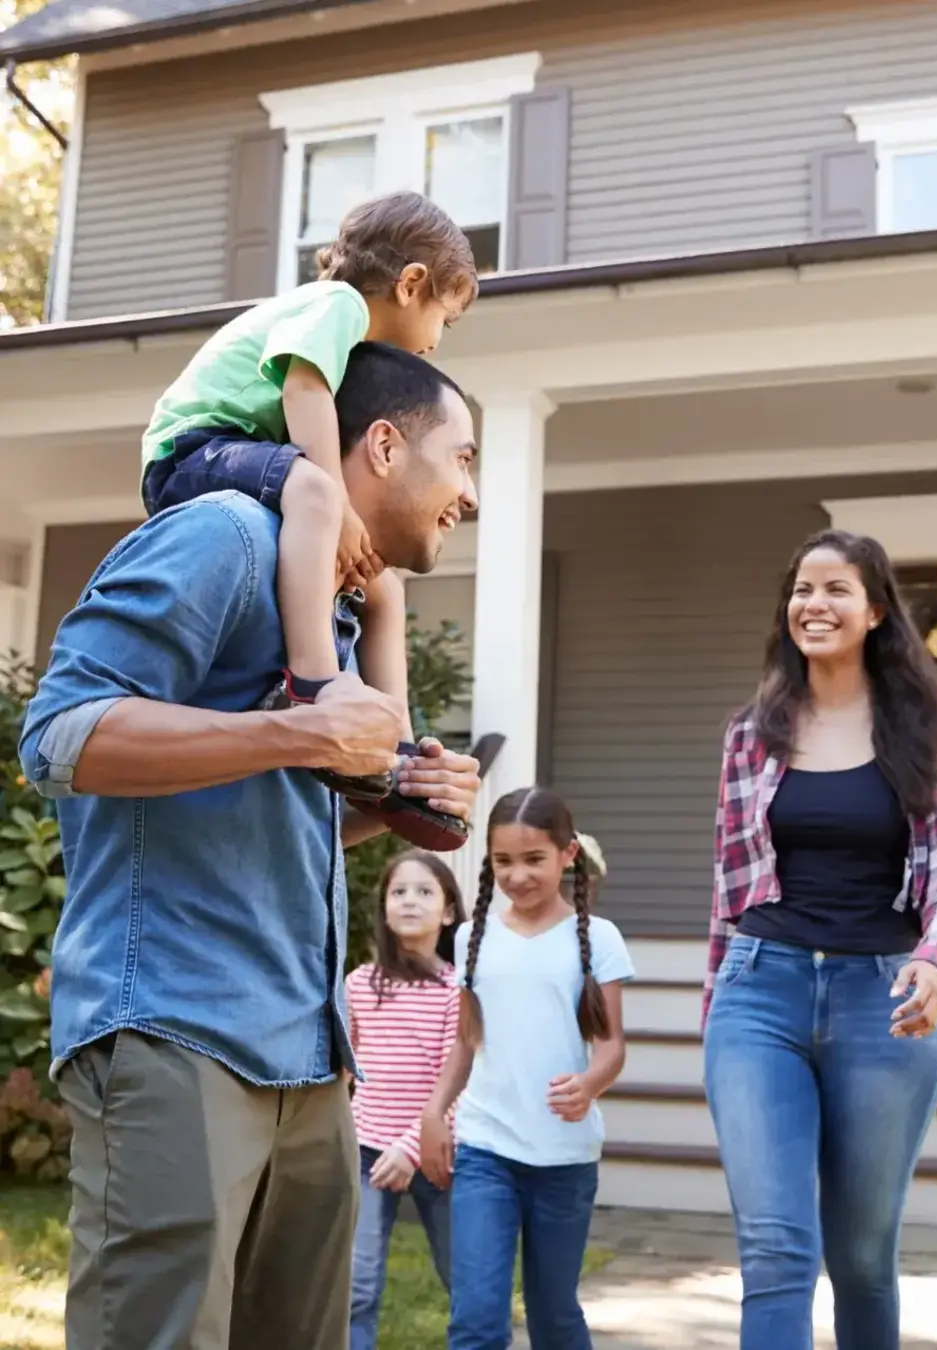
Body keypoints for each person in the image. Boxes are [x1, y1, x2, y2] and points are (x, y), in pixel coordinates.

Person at [18, 343, 482, 1350]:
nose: (471, 493)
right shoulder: (223, 535)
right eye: (464, 459)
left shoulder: (333, 609)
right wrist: (300, 732)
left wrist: (396, 800)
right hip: (178, 1029)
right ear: (388, 444)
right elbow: (58, 736)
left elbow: (270, 805)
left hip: (311, 1057)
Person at [702, 528, 937, 1350]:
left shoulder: (926, 732)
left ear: (875, 611)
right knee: (776, 1250)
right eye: (800, 589)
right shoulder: (750, 734)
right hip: (761, 994)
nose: (812, 604)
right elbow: (725, 889)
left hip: (882, 1002)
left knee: (861, 1260)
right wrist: (718, 1008)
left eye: (834, 590)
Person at [141, 190, 477, 820]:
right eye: (444, 318)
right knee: (315, 490)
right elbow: (303, 388)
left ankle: (395, 750)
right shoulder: (336, 305)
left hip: (234, 454)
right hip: (191, 451)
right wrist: (337, 502)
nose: (436, 340)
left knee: (384, 589)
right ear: (411, 284)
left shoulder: (340, 330)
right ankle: (315, 685)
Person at [420, 787, 635, 1350]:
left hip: (564, 1159)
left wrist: (589, 1084)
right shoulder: (471, 937)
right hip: (486, 1150)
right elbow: (467, 1044)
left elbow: (612, 1046)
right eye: (503, 861)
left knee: (554, 1316)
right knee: (475, 1318)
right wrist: (434, 1113)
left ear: (568, 855)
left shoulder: (599, 939)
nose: (518, 875)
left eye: (533, 859)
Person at [345, 850, 465, 1349]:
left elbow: (457, 1083)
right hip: (366, 1153)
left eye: (424, 892)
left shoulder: (457, 990)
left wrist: (411, 1149)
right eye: (398, 892)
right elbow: (342, 1073)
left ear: (449, 912)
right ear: (384, 907)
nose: (409, 902)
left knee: (467, 1279)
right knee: (356, 1284)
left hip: (437, 1155)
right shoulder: (358, 985)